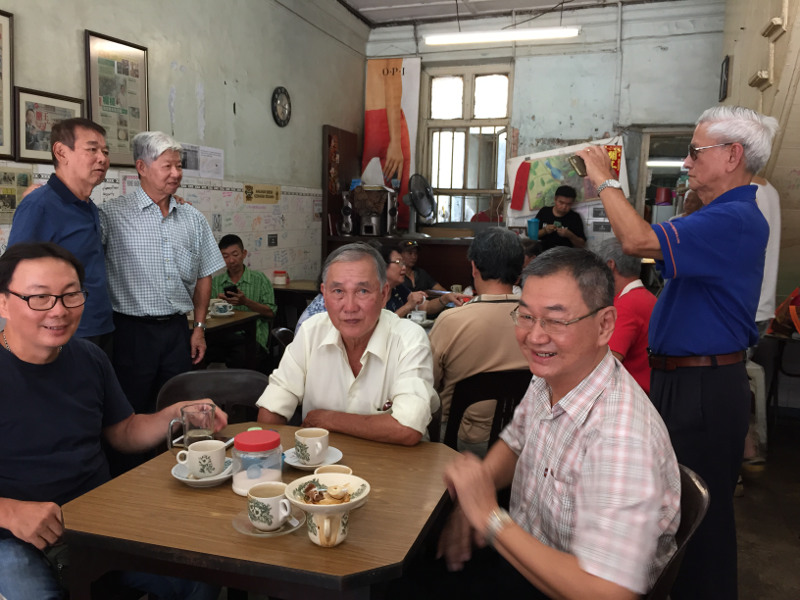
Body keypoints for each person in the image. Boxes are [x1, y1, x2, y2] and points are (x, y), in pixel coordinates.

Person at [582, 105, 777, 599]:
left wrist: (605, 179)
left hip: (703, 387)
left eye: (695, 152)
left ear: (732, 155)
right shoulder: (716, 216)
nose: (686, 163)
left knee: (702, 521)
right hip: (683, 382)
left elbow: (636, 240)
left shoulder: (734, 218)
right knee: (676, 508)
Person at [409, 247, 679, 600]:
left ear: (604, 325)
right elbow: (515, 441)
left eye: (556, 320)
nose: (534, 336)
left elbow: (608, 592)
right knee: (412, 565)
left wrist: (489, 517)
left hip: (569, 587)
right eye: (526, 316)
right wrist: (475, 492)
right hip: (524, 557)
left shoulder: (621, 437)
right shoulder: (551, 376)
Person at [0, 242, 225, 600]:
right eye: (39, 297)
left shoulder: (89, 358)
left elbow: (124, 431)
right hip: (11, 537)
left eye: (71, 295)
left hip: (96, 519)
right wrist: (9, 512)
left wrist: (175, 414)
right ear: (3, 302)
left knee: (201, 575)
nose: (59, 310)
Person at [256, 242, 438, 446]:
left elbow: (407, 428)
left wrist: (327, 419)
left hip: (396, 463)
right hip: (321, 462)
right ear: (324, 295)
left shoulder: (409, 338)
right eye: (338, 291)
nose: (350, 307)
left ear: (384, 294)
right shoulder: (311, 331)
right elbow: (274, 406)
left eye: (363, 291)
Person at [99, 130, 225, 418]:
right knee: (130, 411)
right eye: (167, 166)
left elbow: (204, 275)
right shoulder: (111, 216)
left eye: (178, 166)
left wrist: (199, 328)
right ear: (141, 167)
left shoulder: (193, 218)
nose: (176, 173)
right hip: (131, 332)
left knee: (178, 407)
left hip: (177, 331)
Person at [9, 118, 114, 353]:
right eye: (92, 149)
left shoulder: (88, 206)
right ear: (61, 152)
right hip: (63, 331)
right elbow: (15, 274)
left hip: (100, 325)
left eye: (105, 152)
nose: (102, 158)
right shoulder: (39, 205)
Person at [428, 228, 527, 454]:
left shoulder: (451, 321)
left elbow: (427, 384)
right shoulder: (540, 320)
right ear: (519, 272)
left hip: (462, 443)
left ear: (474, 267)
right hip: (524, 439)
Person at [208, 234, 277, 372]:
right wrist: (217, 303)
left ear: (244, 254)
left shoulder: (259, 279)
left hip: (252, 336)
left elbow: (271, 312)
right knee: (198, 350)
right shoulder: (216, 282)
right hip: (223, 336)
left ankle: (241, 385)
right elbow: (209, 314)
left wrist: (246, 302)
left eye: (235, 254)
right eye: (225, 256)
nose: (231, 260)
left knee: (240, 355)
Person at [596, 237, 657, 394]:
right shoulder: (648, 298)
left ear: (610, 265)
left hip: (629, 394)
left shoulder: (626, 305)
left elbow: (605, 366)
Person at [380, 243, 465, 318]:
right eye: (399, 262)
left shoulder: (398, 288)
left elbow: (426, 307)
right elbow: (382, 324)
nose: (404, 267)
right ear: (383, 264)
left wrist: (446, 298)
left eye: (403, 263)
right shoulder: (375, 291)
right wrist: (408, 306)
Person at [535, 184, 586, 250]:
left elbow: (582, 245)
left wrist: (570, 235)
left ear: (572, 203)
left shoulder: (575, 217)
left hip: (565, 254)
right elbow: (531, 235)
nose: (564, 207)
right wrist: (545, 231)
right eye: (561, 202)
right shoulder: (544, 212)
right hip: (543, 253)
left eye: (568, 204)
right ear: (555, 199)